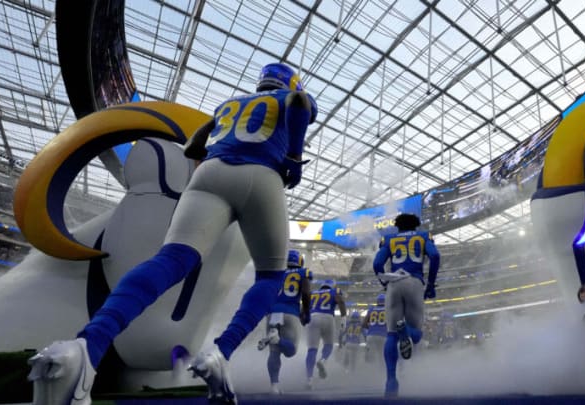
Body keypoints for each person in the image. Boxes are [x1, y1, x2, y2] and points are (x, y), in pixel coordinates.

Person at [27, 63, 318, 405]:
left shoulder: (229, 106)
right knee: (270, 277)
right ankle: (221, 353)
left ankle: (86, 348)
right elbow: (299, 102)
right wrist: (294, 158)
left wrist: (200, 155)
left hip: (210, 174)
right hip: (261, 174)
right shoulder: (289, 95)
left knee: (171, 260)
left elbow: (195, 144)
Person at [373, 213, 440, 397]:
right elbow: (434, 256)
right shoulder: (423, 236)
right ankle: (407, 332)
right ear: (416, 226)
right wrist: (431, 284)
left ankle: (391, 382)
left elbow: (377, 263)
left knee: (391, 335)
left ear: (397, 226)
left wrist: (385, 283)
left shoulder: (388, 239)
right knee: (416, 336)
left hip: (394, 281)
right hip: (414, 281)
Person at [257, 249, 311, 395]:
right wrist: (306, 312)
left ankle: (274, 386)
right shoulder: (302, 273)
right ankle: (277, 340)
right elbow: (306, 293)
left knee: (274, 352)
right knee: (291, 350)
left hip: (272, 312)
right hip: (290, 312)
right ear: (299, 261)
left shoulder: (276, 274)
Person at [304, 279, 346, 389]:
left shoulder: (313, 293)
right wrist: (343, 319)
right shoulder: (334, 291)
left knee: (312, 350)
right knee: (329, 345)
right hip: (328, 318)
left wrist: (303, 320)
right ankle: (323, 360)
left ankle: (309, 379)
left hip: (313, 317)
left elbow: (303, 308)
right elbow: (340, 301)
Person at [362, 293, 387, 365]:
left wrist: (372, 328)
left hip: (371, 336)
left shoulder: (371, 309)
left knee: (370, 357)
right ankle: (380, 372)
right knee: (382, 356)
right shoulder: (388, 310)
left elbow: (363, 324)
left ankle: (370, 372)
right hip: (383, 336)